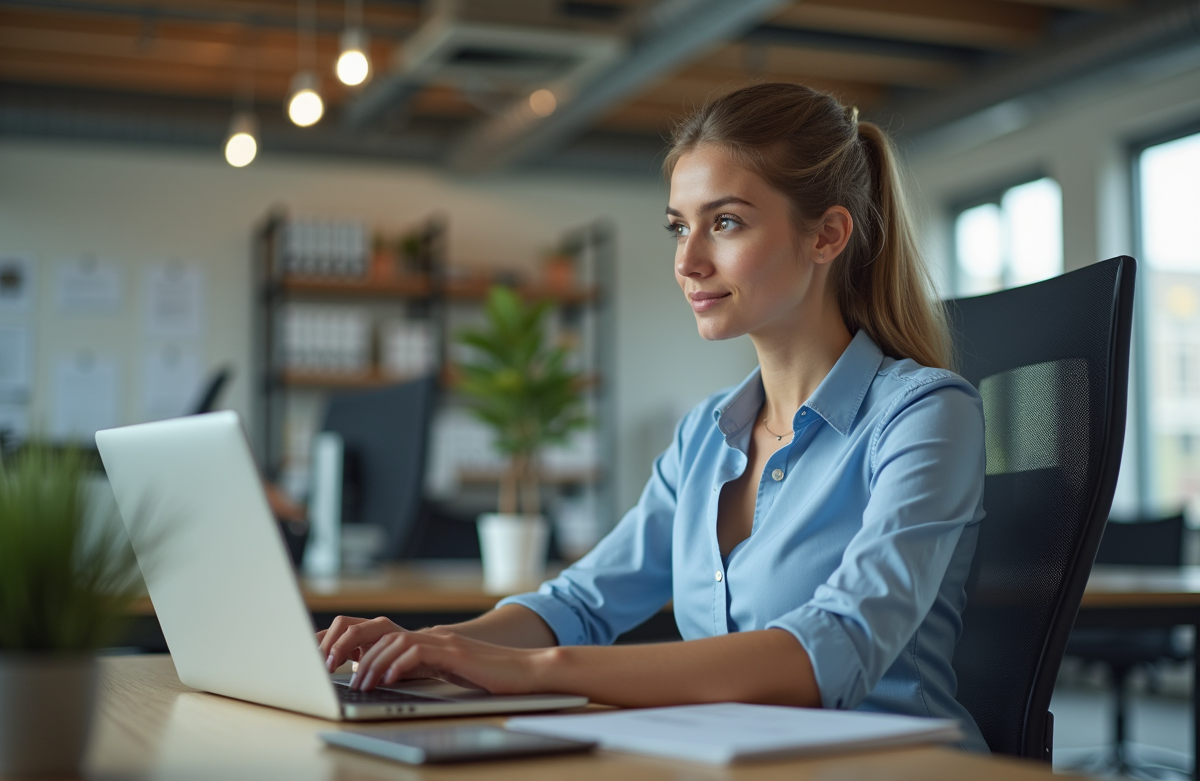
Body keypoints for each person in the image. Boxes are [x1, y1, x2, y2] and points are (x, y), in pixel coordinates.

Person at [317, 82, 988, 751]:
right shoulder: (705, 437)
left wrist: (535, 671)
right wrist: (431, 647)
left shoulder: (923, 415)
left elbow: (833, 647)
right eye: (679, 227)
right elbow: (580, 603)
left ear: (827, 235)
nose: (688, 262)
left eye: (725, 223)